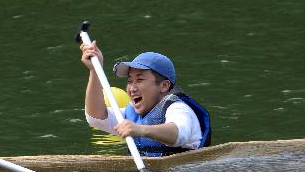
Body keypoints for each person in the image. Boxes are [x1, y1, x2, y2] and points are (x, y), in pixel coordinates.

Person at [80, 41, 211, 157]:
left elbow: (178, 134)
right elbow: (95, 118)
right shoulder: (130, 114)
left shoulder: (179, 109)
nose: (132, 88)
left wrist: (141, 130)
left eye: (140, 80)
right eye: (130, 81)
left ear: (164, 86)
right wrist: (94, 71)